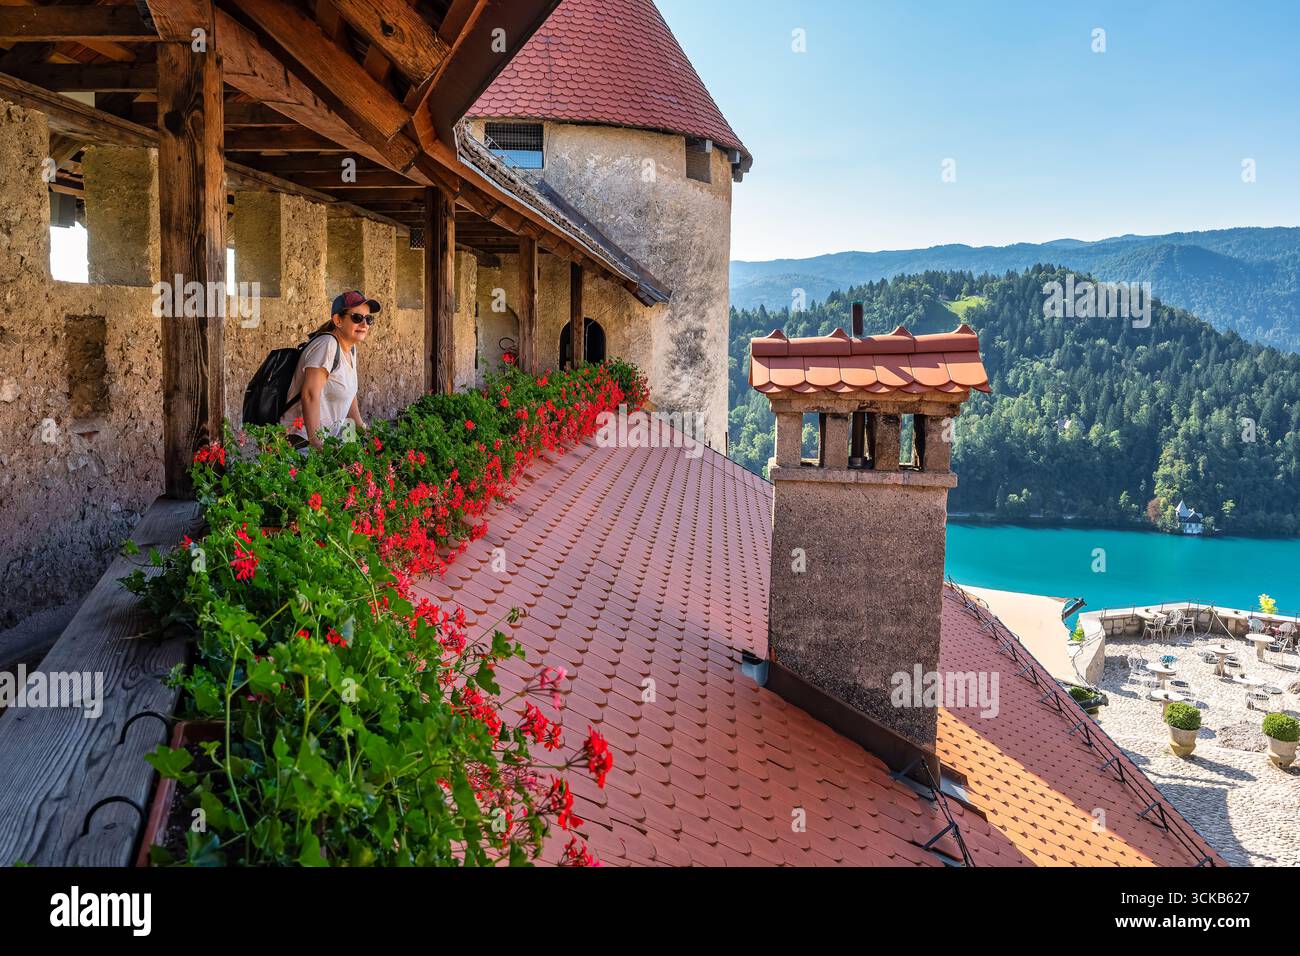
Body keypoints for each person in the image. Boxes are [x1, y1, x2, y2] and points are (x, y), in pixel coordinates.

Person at [281, 290, 378, 449]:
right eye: (357, 318)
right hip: (301, 444)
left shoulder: (350, 349)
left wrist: (362, 428)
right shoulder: (327, 345)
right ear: (338, 320)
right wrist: (317, 444)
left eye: (368, 319)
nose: (364, 324)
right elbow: (310, 395)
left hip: (325, 442)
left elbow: (349, 394)